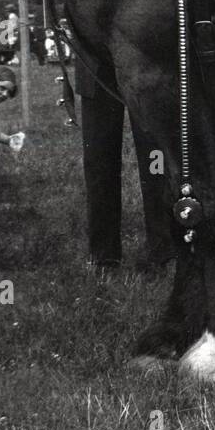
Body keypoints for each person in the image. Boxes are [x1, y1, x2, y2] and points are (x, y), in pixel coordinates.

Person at [73, 50, 173, 270]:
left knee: (154, 160)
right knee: (99, 161)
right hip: (94, 64)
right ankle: (103, 255)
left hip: (142, 60)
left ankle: (162, 249)